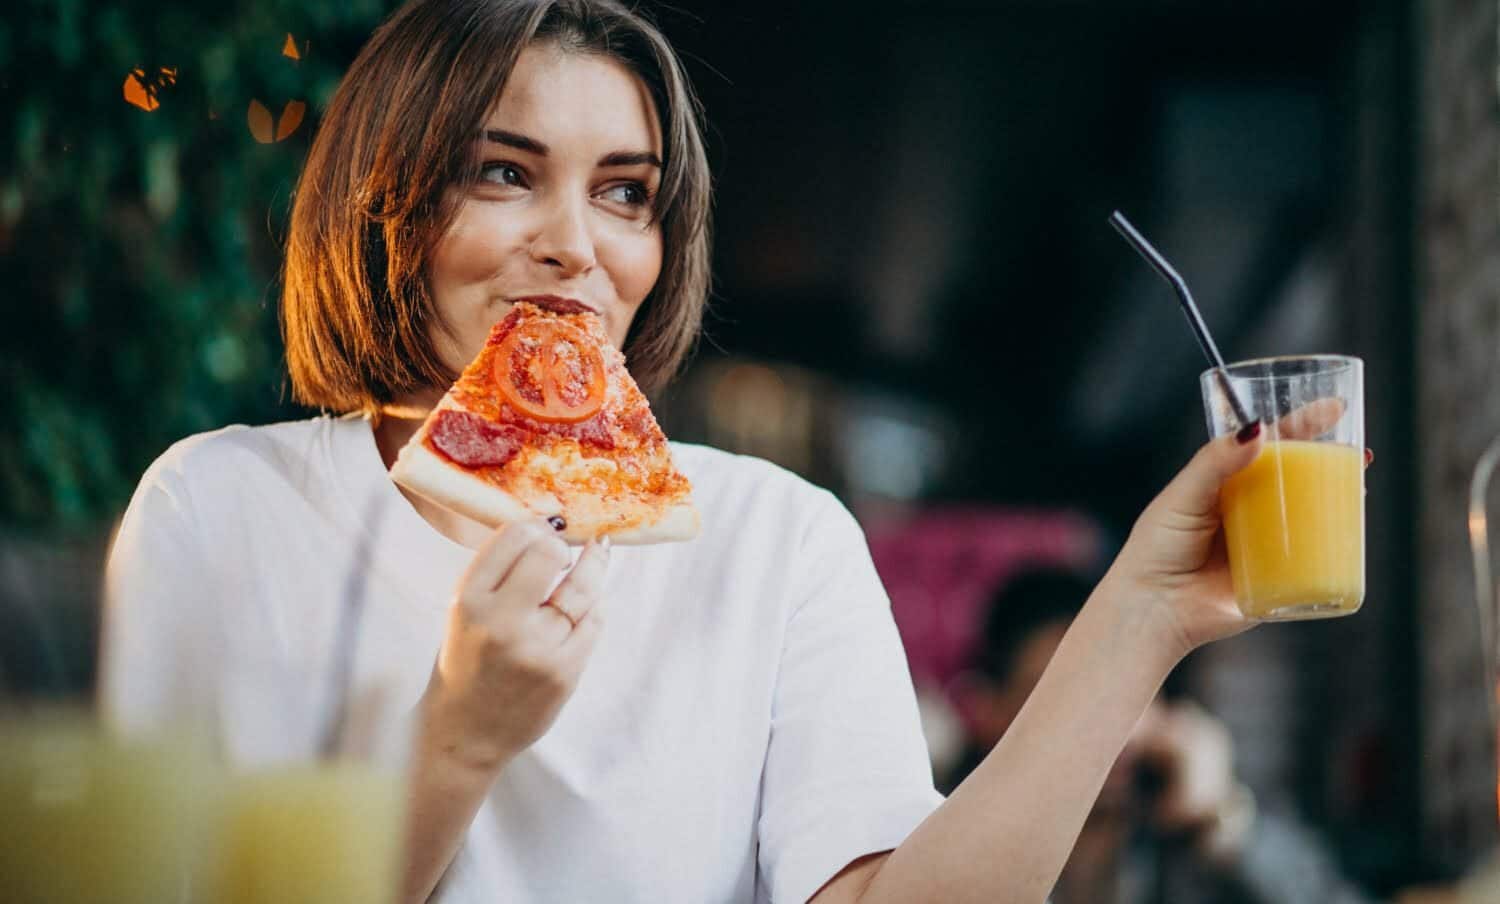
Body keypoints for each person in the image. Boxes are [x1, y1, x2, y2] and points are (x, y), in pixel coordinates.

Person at [101, 1, 1290, 901]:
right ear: (384, 204)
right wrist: (459, 738)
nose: (578, 247)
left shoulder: (783, 539)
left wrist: (1144, 614)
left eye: (626, 195)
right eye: (505, 173)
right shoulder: (218, 511)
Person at [945, 568, 1376, 904]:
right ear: (988, 712)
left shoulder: (1200, 824)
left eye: (1126, 688)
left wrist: (1224, 823)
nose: (1103, 725)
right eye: (1057, 697)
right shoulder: (945, 842)